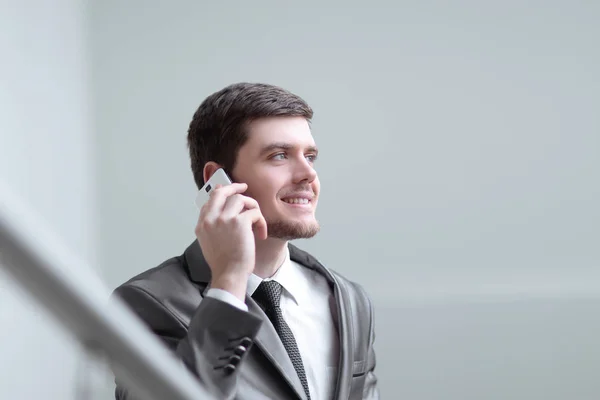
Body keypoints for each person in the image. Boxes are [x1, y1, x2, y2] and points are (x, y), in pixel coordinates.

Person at [112, 82, 379, 400]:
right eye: (279, 156)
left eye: (310, 156)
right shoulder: (147, 303)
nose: (308, 174)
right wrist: (229, 281)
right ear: (217, 180)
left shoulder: (347, 299)